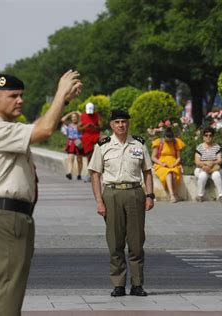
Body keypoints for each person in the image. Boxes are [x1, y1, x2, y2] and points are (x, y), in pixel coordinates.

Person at [0, 71, 82, 316]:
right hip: (6, 217)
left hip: (13, 217)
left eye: (21, 95)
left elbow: (40, 126)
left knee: (11, 293)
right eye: (13, 96)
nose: (20, 100)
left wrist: (63, 100)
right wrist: (59, 93)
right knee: (8, 296)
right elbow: (44, 130)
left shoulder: (4, 127)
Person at [88, 109, 154, 297]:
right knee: (115, 241)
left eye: (124, 121)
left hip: (134, 192)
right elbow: (95, 174)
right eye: (117, 122)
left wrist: (150, 195)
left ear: (128, 123)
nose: (121, 125)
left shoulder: (139, 144)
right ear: (111, 125)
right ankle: (118, 284)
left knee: (136, 241)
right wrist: (99, 201)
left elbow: (147, 171)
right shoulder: (103, 145)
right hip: (112, 194)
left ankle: (137, 284)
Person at [151, 128, 185, 203]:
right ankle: (172, 195)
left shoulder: (176, 142)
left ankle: (175, 193)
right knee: (168, 173)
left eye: (170, 140)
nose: (169, 142)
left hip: (173, 162)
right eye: (167, 140)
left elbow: (179, 157)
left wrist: (175, 163)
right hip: (161, 163)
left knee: (174, 174)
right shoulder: (158, 142)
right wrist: (161, 163)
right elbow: (153, 157)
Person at [194, 127, 222, 202]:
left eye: (210, 135)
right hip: (201, 168)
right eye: (206, 135)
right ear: (203, 137)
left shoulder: (217, 147)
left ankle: (221, 196)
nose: (208, 137)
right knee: (203, 175)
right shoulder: (199, 147)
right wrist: (205, 164)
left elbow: (220, 160)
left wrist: (213, 163)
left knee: (216, 174)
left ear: (213, 137)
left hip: (214, 168)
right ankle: (200, 195)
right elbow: (197, 161)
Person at [79, 102, 102, 182]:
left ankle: (97, 174)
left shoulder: (96, 115)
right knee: (89, 157)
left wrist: (94, 127)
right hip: (86, 139)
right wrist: (86, 126)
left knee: (97, 156)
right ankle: (90, 175)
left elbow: (100, 127)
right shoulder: (82, 116)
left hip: (95, 137)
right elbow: (79, 128)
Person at [61, 111, 83, 180]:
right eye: (73, 117)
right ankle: (69, 173)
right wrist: (70, 113)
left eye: (75, 117)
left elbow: (84, 118)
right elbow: (63, 120)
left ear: (77, 118)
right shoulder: (69, 125)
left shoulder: (80, 124)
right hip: (71, 142)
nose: (74, 118)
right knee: (70, 158)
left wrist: (78, 113)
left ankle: (79, 174)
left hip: (79, 142)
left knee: (79, 159)